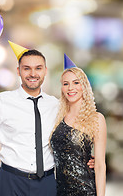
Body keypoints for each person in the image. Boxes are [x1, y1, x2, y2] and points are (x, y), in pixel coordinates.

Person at [0, 42, 94, 195]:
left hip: (47, 183)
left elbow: (71, 139)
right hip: (11, 182)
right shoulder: (3, 101)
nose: (33, 74)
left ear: (45, 71)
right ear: (18, 71)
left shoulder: (56, 105)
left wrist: (90, 159)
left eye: (38, 68)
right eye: (26, 68)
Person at [50, 54, 107, 196]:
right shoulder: (57, 117)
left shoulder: (96, 119)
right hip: (60, 191)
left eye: (76, 83)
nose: (71, 88)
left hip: (85, 190)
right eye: (66, 83)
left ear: (84, 86)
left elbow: (100, 165)